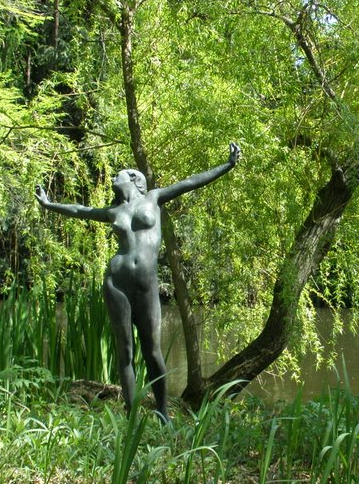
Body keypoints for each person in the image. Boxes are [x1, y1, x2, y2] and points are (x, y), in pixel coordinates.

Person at [35, 143, 241, 422]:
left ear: (133, 178)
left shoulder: (153, 198)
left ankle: (162, 411)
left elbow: (191, 182)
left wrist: (227, 165)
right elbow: (79, 209)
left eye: (117, 175)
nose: (112, 179)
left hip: (146, 283)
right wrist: (49, 204)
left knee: (153, 350)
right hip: (116, 282)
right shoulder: (112, 212)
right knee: (125, 350)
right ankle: (131, 413)